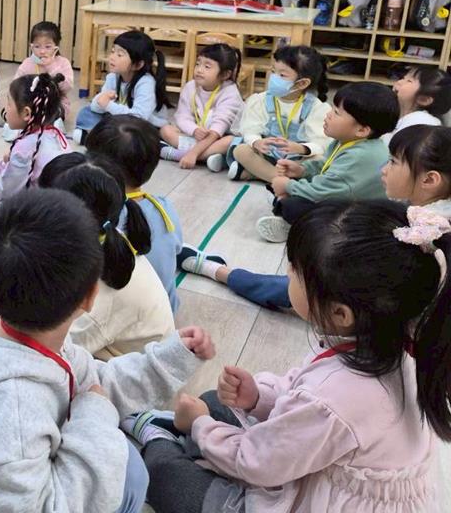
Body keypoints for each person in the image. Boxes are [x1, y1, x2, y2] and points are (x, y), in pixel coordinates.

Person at [128, 200, 451, 513]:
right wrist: (258, 397)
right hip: (322, 463)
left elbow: (259, 463)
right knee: (215, 401)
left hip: (315, 495)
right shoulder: (392, 338)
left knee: (163, 472)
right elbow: (303, 398)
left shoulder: (336, 397)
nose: (287, 273)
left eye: (295, 271)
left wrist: (200, 426)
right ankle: (191, 434)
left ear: (340, 313)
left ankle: (164, 438)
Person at [0, 188, 214, 513]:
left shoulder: (26, 330)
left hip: (28, 469)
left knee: (129, 467)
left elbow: (91, 382)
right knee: (128, 475)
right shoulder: (13, 412)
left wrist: (168, 359)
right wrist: (94, 415)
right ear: (90, 297)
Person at [180, 124, 451, 310]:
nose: (383, 169)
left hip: (369, 303)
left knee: (300, 285)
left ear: (429, 180)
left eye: (393, 162)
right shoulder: (419, 209)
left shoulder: (425, 231)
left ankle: (219, 271)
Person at [39, 153, 174, 358]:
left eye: (40, 204)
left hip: (121, 371)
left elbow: (46, 350)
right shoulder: (104, 235)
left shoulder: (97, 296)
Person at [256, 81, 398, 242]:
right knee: (289, 189)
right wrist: (302, 170)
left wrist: (288, 186)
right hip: (344, 197)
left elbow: (322, 191)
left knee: (294, 206)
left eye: (337, 113)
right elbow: (326, 165)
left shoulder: (359, 156)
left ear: (362, 130)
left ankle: (291, 225)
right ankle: (283, 203)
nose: (328, 114)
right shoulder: (347, 141)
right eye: (332, 108)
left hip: (362, 216)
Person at [86, 115, 184, 311]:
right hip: (166, 313)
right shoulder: (163, 206)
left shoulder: (97, 217)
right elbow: (177, 248)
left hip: (119, 323)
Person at [0, 73, 70, 218]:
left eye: (9, 103)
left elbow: (7, 193)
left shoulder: (24, 147)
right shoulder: (57, 134)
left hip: (32, 215)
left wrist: (8, 164)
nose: (5, 109)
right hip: (59, 209)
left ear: (26, 113)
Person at [228, 45, 329, 182]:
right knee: (241, 150)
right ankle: (284, 180)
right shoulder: (261, 100)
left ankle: (259, 174)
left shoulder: (315, 108)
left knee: (319, 160)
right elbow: (250, 129)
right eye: (273, 71)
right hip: (267, 155)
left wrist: (301, 148)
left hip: (296, 159)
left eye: (282, 75)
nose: (274, 78)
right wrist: (256, 142)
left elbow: (322, 143)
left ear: (302, 83)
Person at [73, 30, 171, 143]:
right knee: (86, 112)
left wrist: (108, 105)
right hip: (120, 120)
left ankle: (97, 139)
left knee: (133, 134)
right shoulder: (112, 77)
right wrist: (101, 101)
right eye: (112, 51)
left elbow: (138, 118)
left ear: (138, 64)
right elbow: (96, 106)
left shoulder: (146, 83)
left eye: (119, 55)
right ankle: (105, 139)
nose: (112, 57)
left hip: (144, 125)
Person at [160, 43, 244, 171]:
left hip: (218, 138)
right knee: (166, 130)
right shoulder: (190, 87)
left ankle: (180, 155)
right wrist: (194, 130)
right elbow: (182, 116)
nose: (199, 70)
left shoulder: (230, 93)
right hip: (198, 137)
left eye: (207, 66)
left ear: (225, 74)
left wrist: (193, 154)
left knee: (231, 141)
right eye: (198, 64)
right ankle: (211, 158)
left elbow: (217, 131)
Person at [3, 21, 74, 139]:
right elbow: (15, 86)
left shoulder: (62, 63)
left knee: (55, 110)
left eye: (48, 47)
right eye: (37, 46)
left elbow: (67, 87)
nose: (42, 51)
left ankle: (53, 126)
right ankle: (17, 128)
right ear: (31, 46)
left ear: (56, 47)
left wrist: (50, 67)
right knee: (10, 110)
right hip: (30, 104)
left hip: (53, 104)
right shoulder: (28, 63)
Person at [384, 65, 451, 143]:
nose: (399, 82)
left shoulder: (422, 122)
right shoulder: (396, 112)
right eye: (403, 78)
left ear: (423, 99)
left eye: (409, 81)